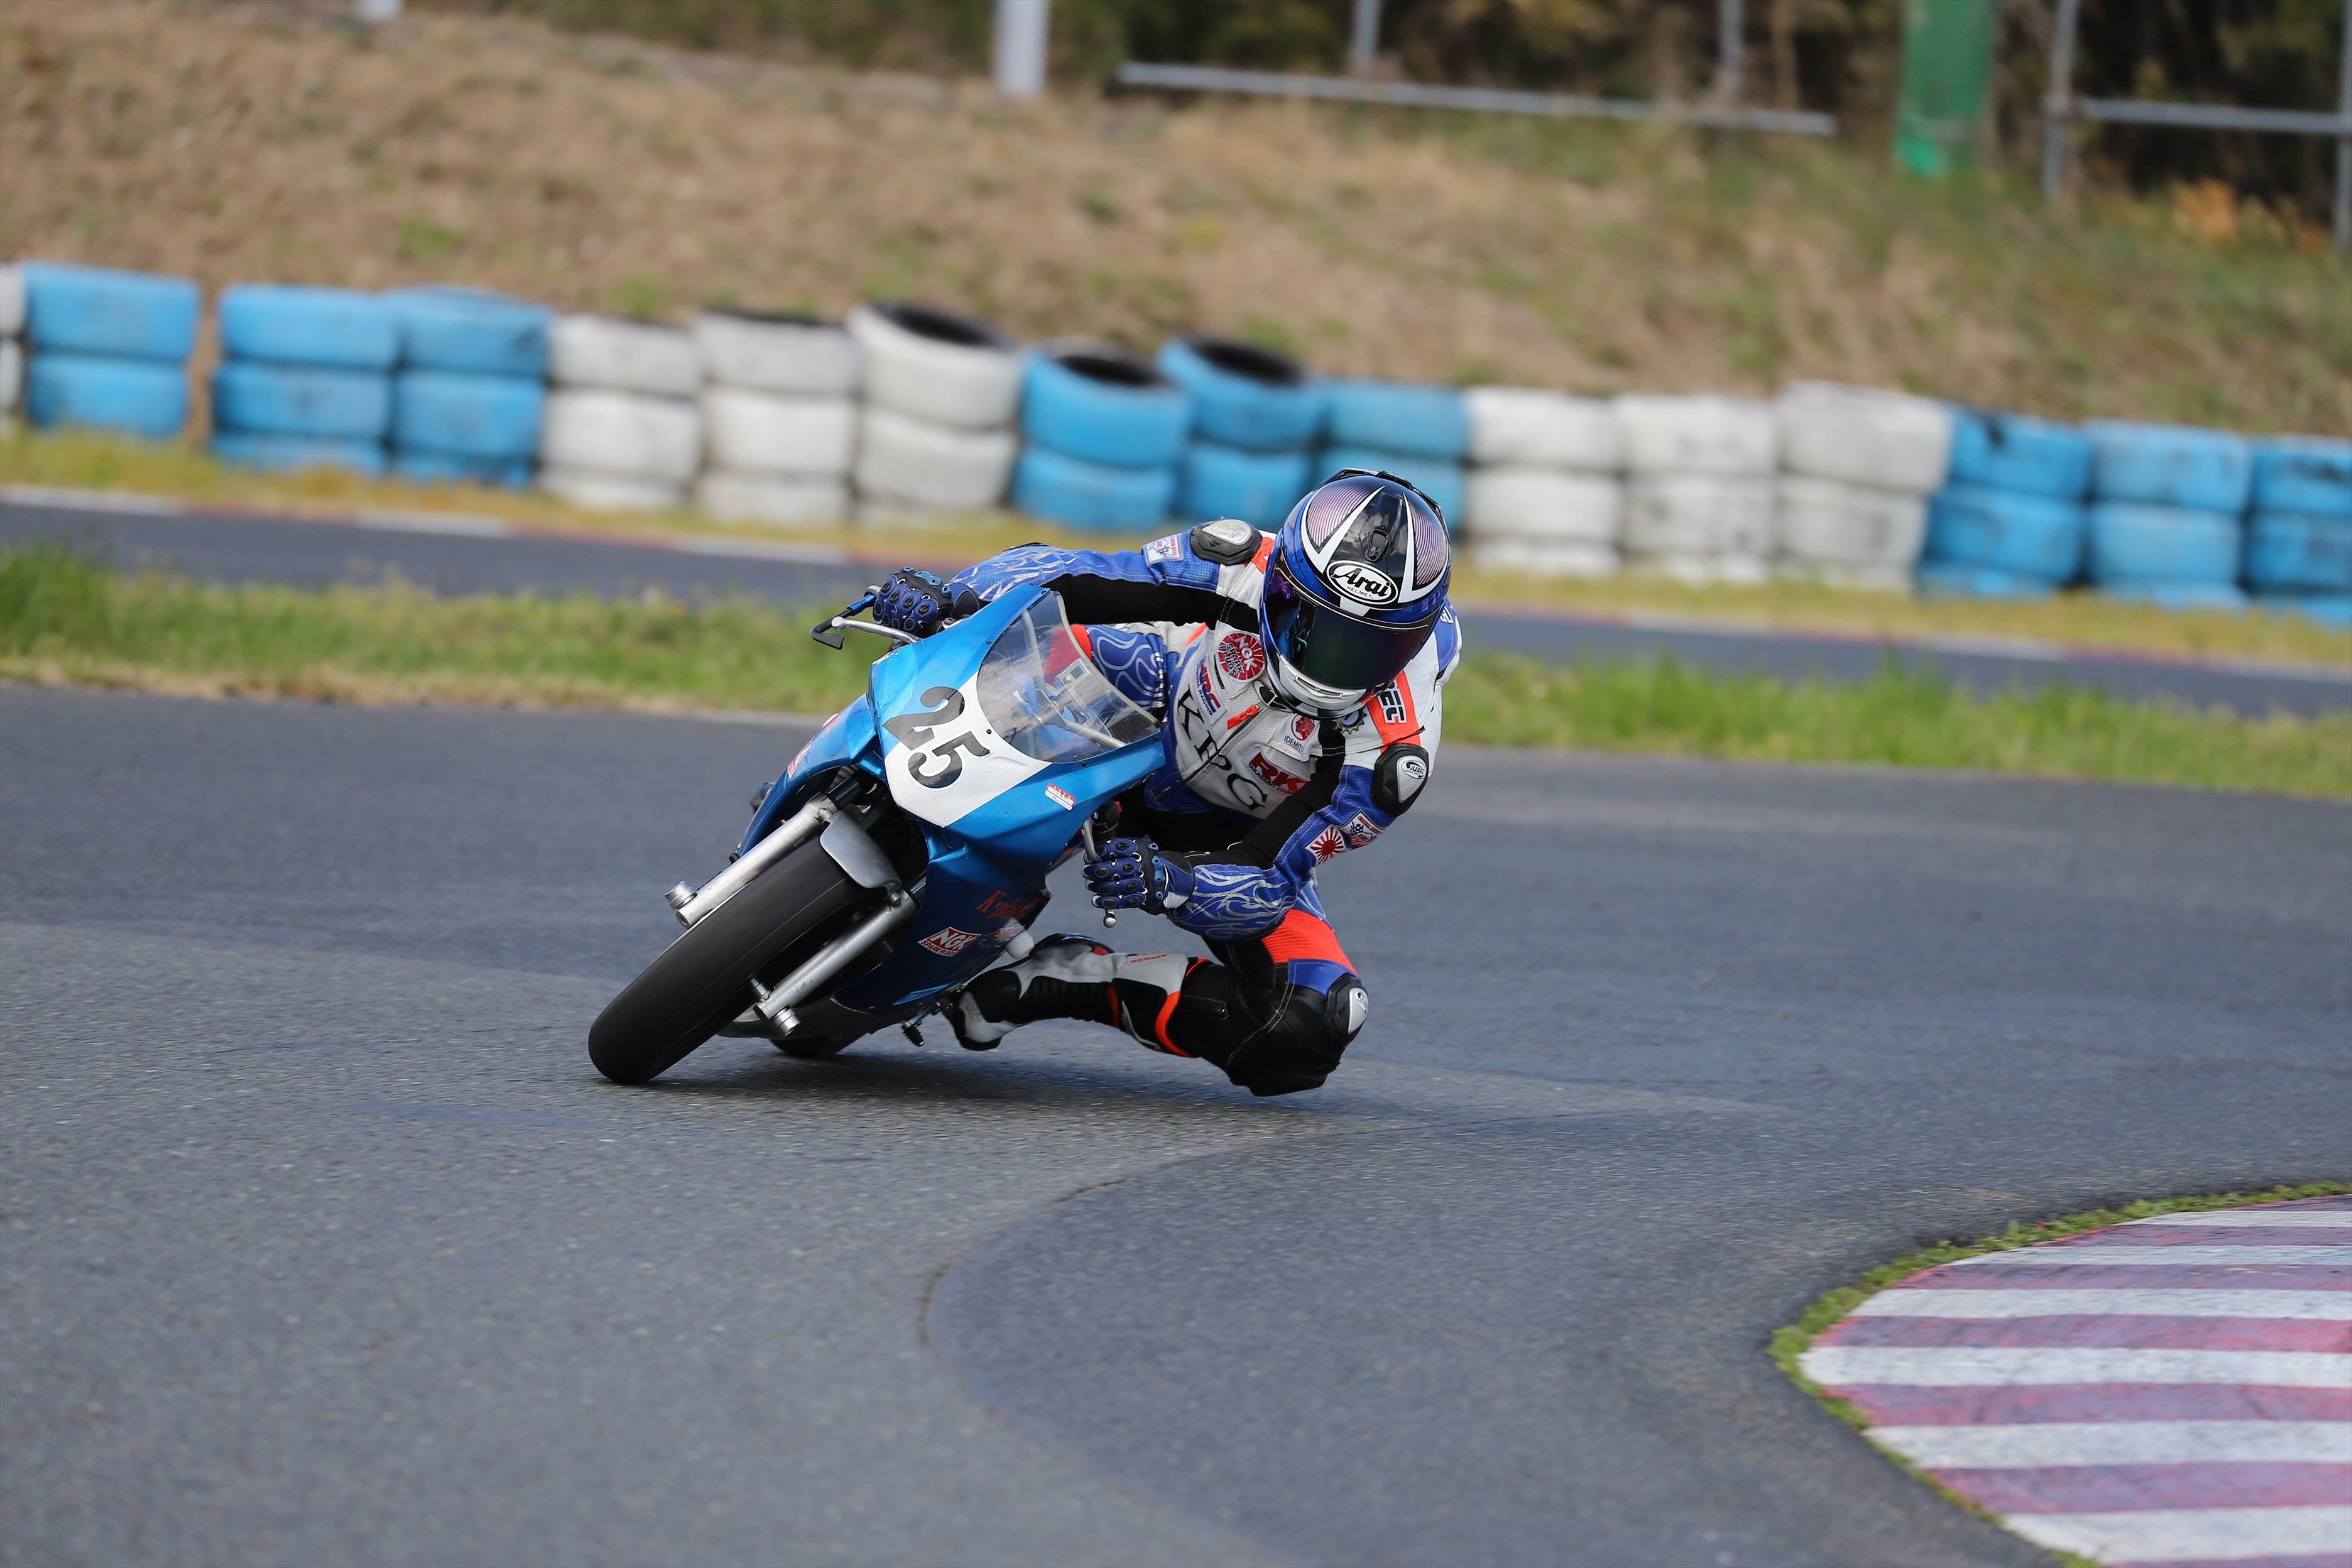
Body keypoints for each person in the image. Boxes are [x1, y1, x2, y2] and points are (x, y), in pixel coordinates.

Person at [867, 471, 1461, 1096]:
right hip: (1130, 707)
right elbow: (1078, 572)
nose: (1330, 663)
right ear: (1282, 583)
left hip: (1219, 836)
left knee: (1314, 1019)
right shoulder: (1241, 561)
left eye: (1365, 648)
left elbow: (1271, 874)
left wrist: (1177, 883)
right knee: (1000, 630)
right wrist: (955, 593)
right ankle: (858, 775)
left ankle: (1070, 981)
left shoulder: (1392, 756)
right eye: (1310, 623)